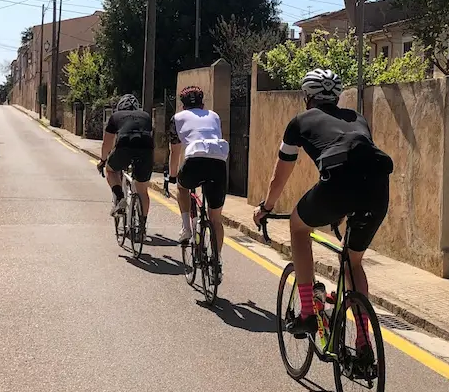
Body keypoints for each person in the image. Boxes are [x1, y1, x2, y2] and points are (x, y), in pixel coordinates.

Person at [253, 68, 393, 358]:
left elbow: (280, 175)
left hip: (337, 187)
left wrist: (266, 207)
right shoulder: (358, 118)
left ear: (307, 97)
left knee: (298, 226)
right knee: (353, 262)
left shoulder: (300, 122)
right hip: (377, 192)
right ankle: (364, 340)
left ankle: (306, 311)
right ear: (337, 96)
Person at [167, 85, 230, 284]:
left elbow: (175, 152)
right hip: (218, 163)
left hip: (194, 160)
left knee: (182, 186)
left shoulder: (177, 119)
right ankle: (217, 262)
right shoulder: (214, 116)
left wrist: (171, 176)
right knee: (216, 219)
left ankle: (186, 227)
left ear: (182, 105)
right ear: (203, 103)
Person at [101, 93, 154, 229]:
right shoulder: (146, 116)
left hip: (125, 145)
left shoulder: (115, 117)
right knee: (142, 189)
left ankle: (119, 198)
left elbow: (107, 143)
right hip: (146, 148)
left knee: (111, 170)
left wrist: (103, 160)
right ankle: (142, 224)